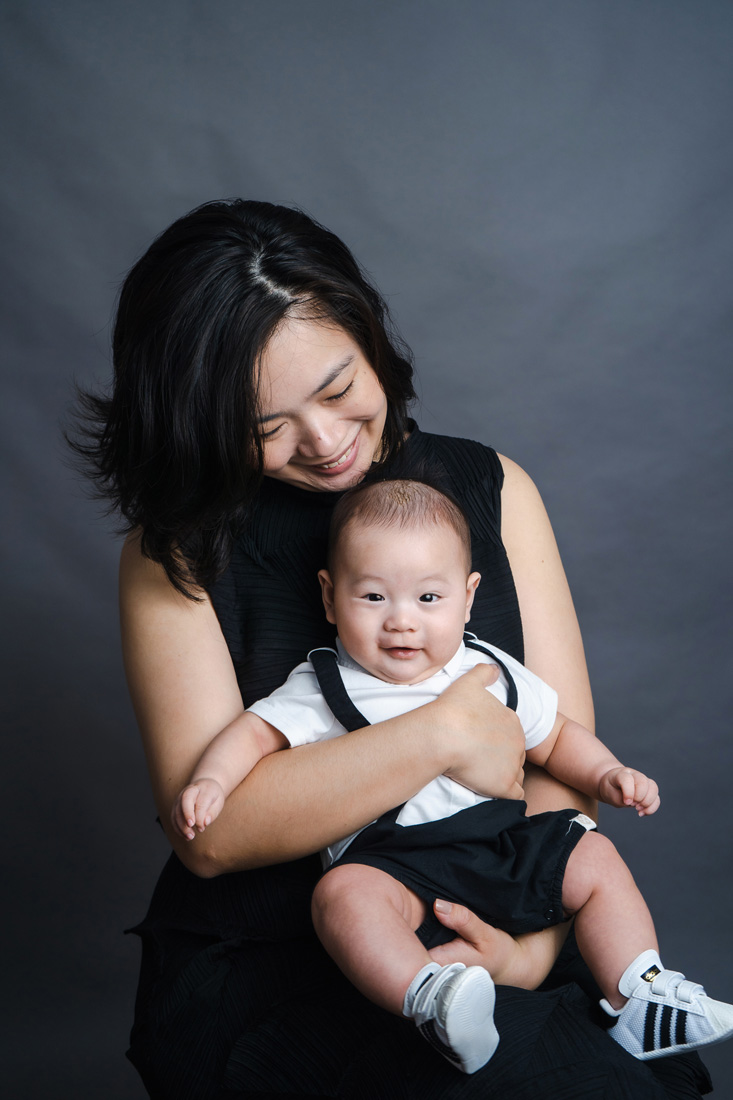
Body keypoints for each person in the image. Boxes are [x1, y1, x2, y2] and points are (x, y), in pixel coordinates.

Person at [73, 198, 713, 1097]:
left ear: (370, 337)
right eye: (265, 427)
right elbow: (217, 835)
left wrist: (524, 954)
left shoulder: (494, 487)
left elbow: (557, 768)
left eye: (337, 390)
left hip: (507, 916)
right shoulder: (171, 554)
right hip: (284, 956)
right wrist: (440, 734)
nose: (326, 442)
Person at [171, 477, 733, 1074]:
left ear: (468, 599)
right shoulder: (323, 683)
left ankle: (638, 995)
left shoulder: (490, 670)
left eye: (428, 599)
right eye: (374, 598)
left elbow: (557, 735)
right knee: (342, 897)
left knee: (590, 855)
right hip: (394, 860)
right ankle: (430, 998)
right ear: (331, 597)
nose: (402, 623)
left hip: (498, 843)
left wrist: (607, 773)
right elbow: (254, 733)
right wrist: (212, 781)